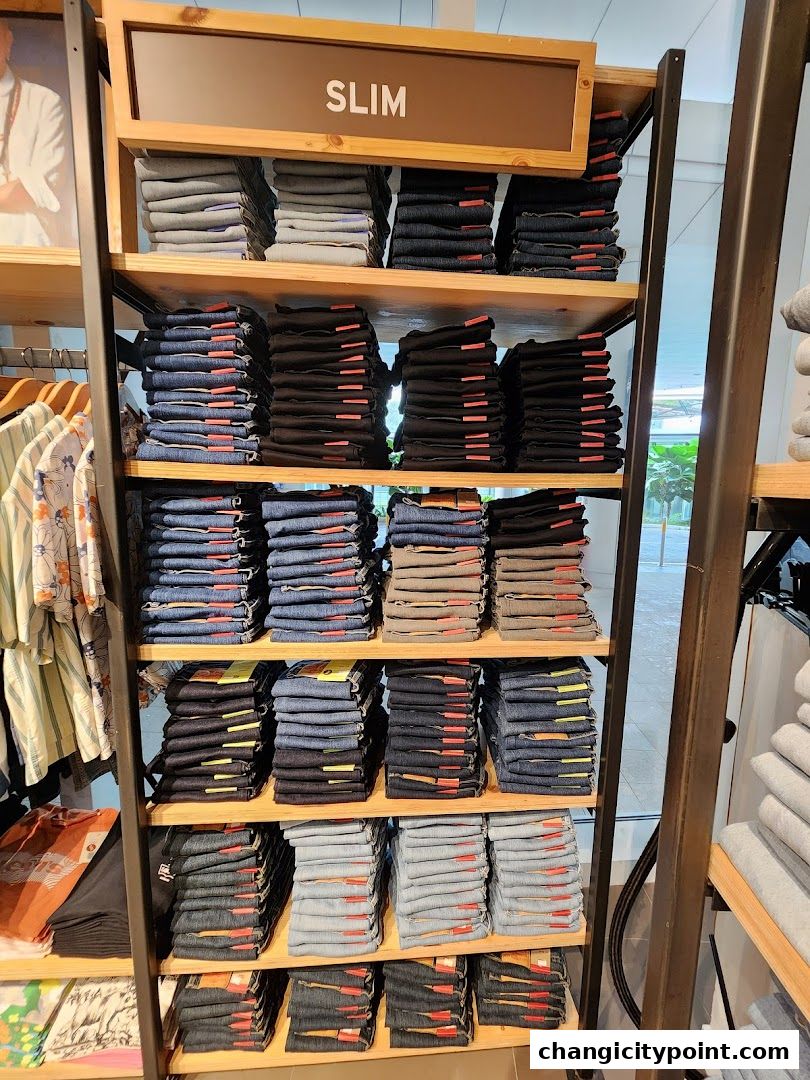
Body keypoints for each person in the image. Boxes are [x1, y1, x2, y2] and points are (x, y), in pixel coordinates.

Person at [0, 17, 73, 246]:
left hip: (29, 252)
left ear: (8, 41)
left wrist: (16, 192)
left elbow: (36, 189)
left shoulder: (45, 103)